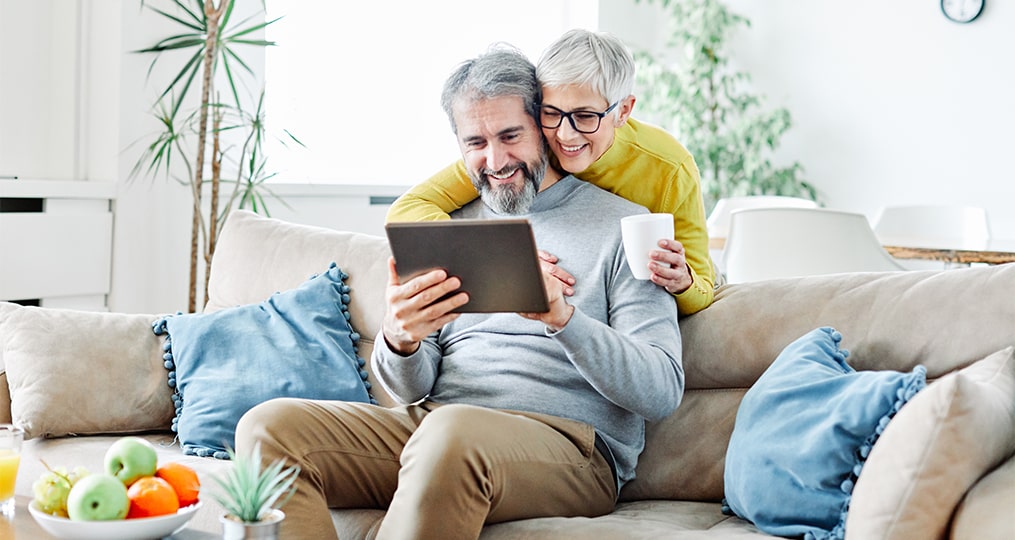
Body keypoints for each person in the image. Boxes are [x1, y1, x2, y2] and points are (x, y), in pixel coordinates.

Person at [234, 45, 683, 539]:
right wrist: (399, 338)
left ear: (543, 126)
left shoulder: (627, 228)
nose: (495, 160)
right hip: (437, 427)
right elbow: (410, 389)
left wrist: (563, 319)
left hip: (571, 447)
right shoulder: (447, 229)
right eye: (476, 142)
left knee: (451, 434)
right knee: (267, 428)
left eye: (510, 135)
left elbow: (661, 390)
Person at [387, 28, 716, 315]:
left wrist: (683, 281)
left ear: (623, 111)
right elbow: (406, 210)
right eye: (551, 113)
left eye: (585, 116)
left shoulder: (670, 167)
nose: (565, 135)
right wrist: (500, 261)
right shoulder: (526, 149)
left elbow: (703, 287)